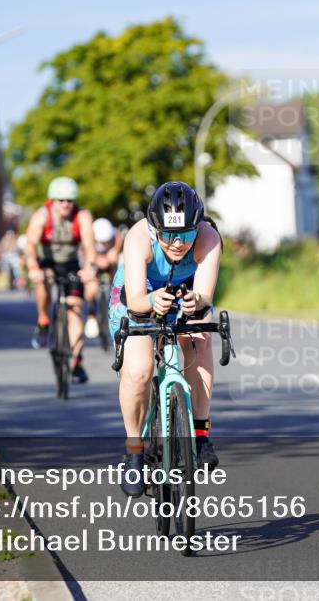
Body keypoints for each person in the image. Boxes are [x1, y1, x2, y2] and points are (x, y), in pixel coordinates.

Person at [108, 182, 222, 497]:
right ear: (154, 229)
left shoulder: (209, 238)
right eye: (168, 235)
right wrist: (150, 301)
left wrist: (196, 301)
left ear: (197, 228)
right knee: (140, 370)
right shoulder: (137, 237)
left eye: (185, 235)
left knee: (200, 338)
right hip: (140, 294)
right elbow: (134, 301)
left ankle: (199, 434)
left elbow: (205, 295)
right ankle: (134, 450)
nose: (176, 244)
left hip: (186, 292)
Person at [24, 176, 98, 384]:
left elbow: (90, 246)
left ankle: (76, 361)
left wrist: (89, 267)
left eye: (70, 200)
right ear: (52, 201)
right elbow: (30, 245)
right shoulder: (42, 216)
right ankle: (43, 320)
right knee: (42, 282)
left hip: (72, 264)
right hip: (48, 262)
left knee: (75, 309)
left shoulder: (81, 216)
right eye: (61, 200)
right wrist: (33, 267)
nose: (66, 204)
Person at [83, 217, 124, 339]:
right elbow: (86, 254)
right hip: (93, 259)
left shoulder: (115, 234)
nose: (104, 243)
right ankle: (91, 316)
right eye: (102, 242)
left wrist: (114, 252)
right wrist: (95, 261)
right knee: (91, 286)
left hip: (108, 260)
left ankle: (115, 297)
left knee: (115, 266)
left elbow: (118, 242)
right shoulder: (88, 238)